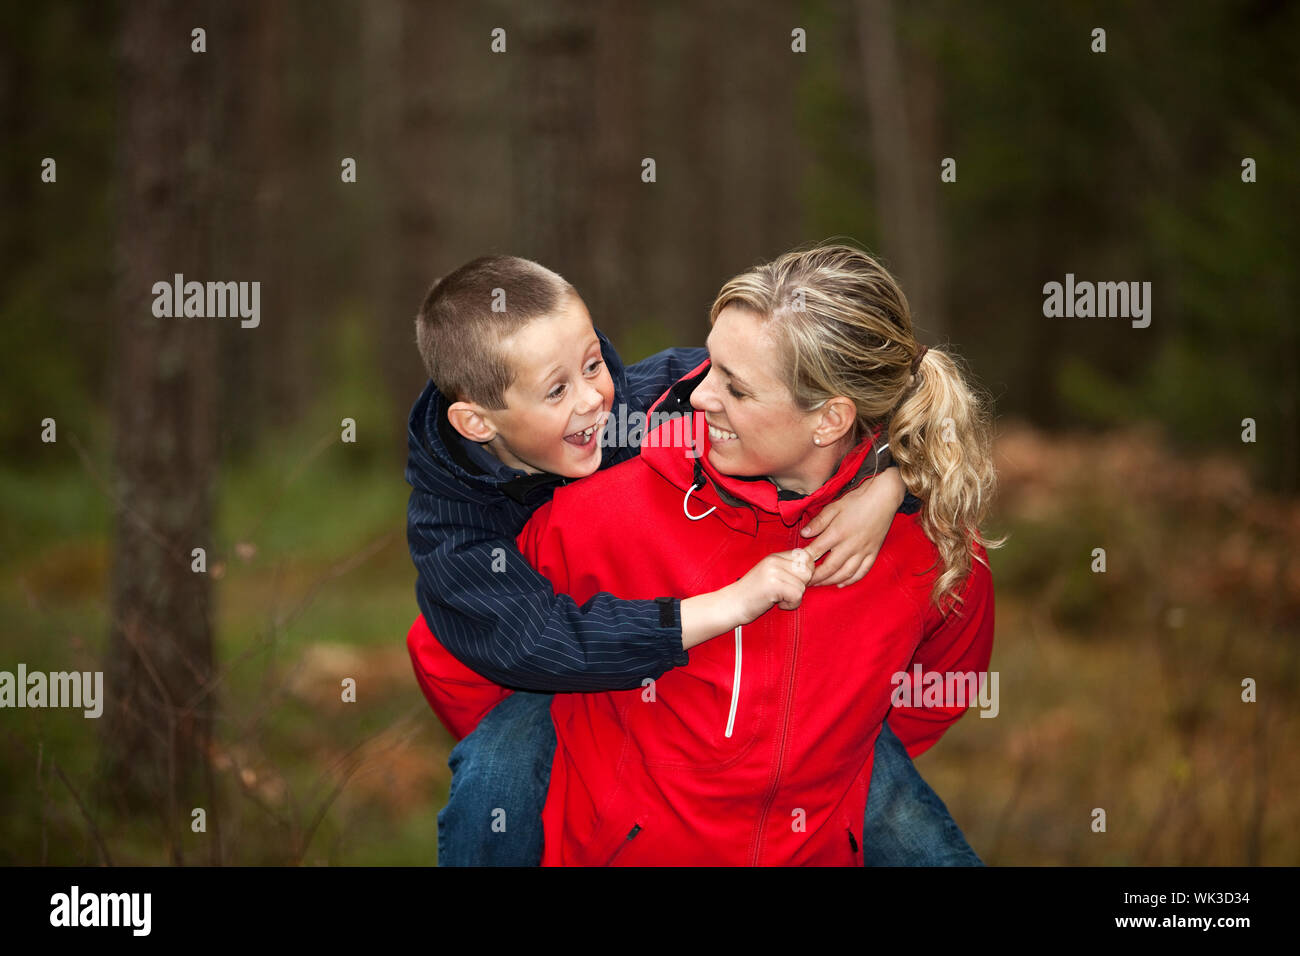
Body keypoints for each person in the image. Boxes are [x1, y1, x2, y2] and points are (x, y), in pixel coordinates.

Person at [404, 254, 972, 865]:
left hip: (732, 695)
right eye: (556, 389)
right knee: (498, 774)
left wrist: (890, 482)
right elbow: (533, 641)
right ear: (475, 422)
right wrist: (715, 609)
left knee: (887, 798)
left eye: (593, 363)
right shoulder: (455, 531)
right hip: (544, 669)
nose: (596, 400)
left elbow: (873, 381)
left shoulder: (652, 401)